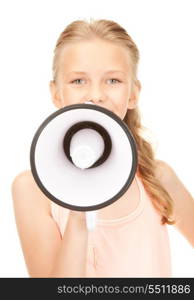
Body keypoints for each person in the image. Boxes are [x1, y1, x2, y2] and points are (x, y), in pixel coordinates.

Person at [11, 19, 194, 278]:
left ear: (133, 94)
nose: (95, 95)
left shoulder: (157, 178)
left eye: (113, 80)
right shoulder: (31, 189)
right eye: (78, 81)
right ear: (56, 94)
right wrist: (79, 214)